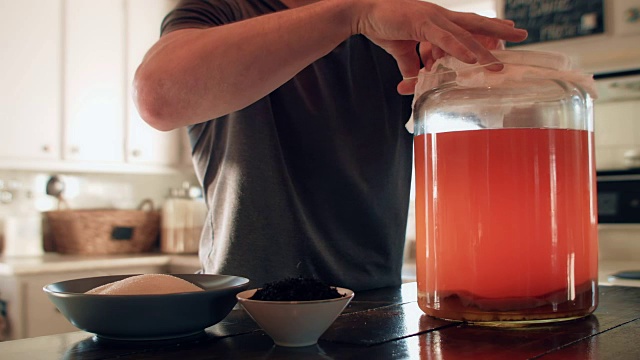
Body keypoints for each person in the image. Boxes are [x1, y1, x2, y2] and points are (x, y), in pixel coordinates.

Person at [134, 0, 527, 291]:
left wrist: (466, 77)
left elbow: (479, 161)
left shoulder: (399, 34)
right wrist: (351, 14)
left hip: (375, 310)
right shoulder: (222, 10)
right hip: (242, 310)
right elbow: (157, 97)